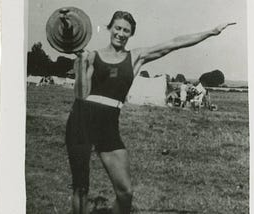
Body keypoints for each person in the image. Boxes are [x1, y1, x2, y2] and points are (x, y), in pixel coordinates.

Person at [66, 10, 235, 214]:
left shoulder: (136, 57)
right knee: (81, 188)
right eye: (117, 28)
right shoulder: (92, 56)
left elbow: (174, 43)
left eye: (126, 30)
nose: (121, 33)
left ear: (131, 34)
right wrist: (81, 65)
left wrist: (210, 32)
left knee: (125, 192)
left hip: (108, 126)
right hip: (81, 121)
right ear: (110, 28)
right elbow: (81, 96)